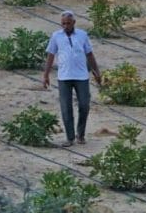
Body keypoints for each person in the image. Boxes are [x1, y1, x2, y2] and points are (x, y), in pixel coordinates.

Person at [43, 11, 102, 147]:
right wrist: (46, 75)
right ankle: (70, 138)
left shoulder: (82, 35)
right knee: (66, 107)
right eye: (63, 23)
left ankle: (80, 134)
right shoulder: (56, 36)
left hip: (81, 76)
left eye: (68, 23)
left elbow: (89, 54)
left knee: (84, 104)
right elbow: (50, 56)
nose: (65, 26)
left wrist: (96, 72)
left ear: (74, 23)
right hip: (64, 77)